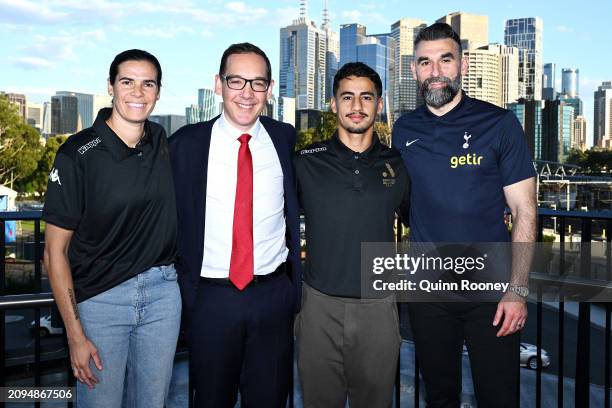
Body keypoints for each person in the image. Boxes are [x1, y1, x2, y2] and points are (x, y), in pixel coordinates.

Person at [392, 23, 536, 407]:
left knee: (499, 396)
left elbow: (524, 209)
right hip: (428, 293)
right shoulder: (403, 129)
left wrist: (518, 289)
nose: (435, 70)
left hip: (491, 292)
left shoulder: (500, 123)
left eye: (445, 59)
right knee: (439, 396)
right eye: (425, 61)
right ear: (414, 70)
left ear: (463, 65)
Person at [43, 49, 181, 407]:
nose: (138, 92)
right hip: (101, 303)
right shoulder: (77, 154)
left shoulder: (161, 142)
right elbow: (53, 252)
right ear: (110, 87)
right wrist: (75, 334)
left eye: (147, 83)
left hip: (163, 296)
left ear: (158, 92)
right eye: (127, 82)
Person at [169, 42, 300, 408]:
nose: (247, 93)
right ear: (218, 84)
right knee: (211, 400)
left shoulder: (283, 137)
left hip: (273, 297)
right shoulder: (185, 145)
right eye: (236, 81)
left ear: (270, 89)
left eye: (258, 83)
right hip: (211, 298)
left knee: (270, 399)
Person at [294, 62, 410, 408]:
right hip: (318, 306)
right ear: (333, 103)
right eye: (347, 97)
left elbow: (424, 222)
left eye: (366, 97)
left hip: (378, 308)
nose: (356, 106)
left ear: (378, 103)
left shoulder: (399, 164)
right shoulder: (304, 162)